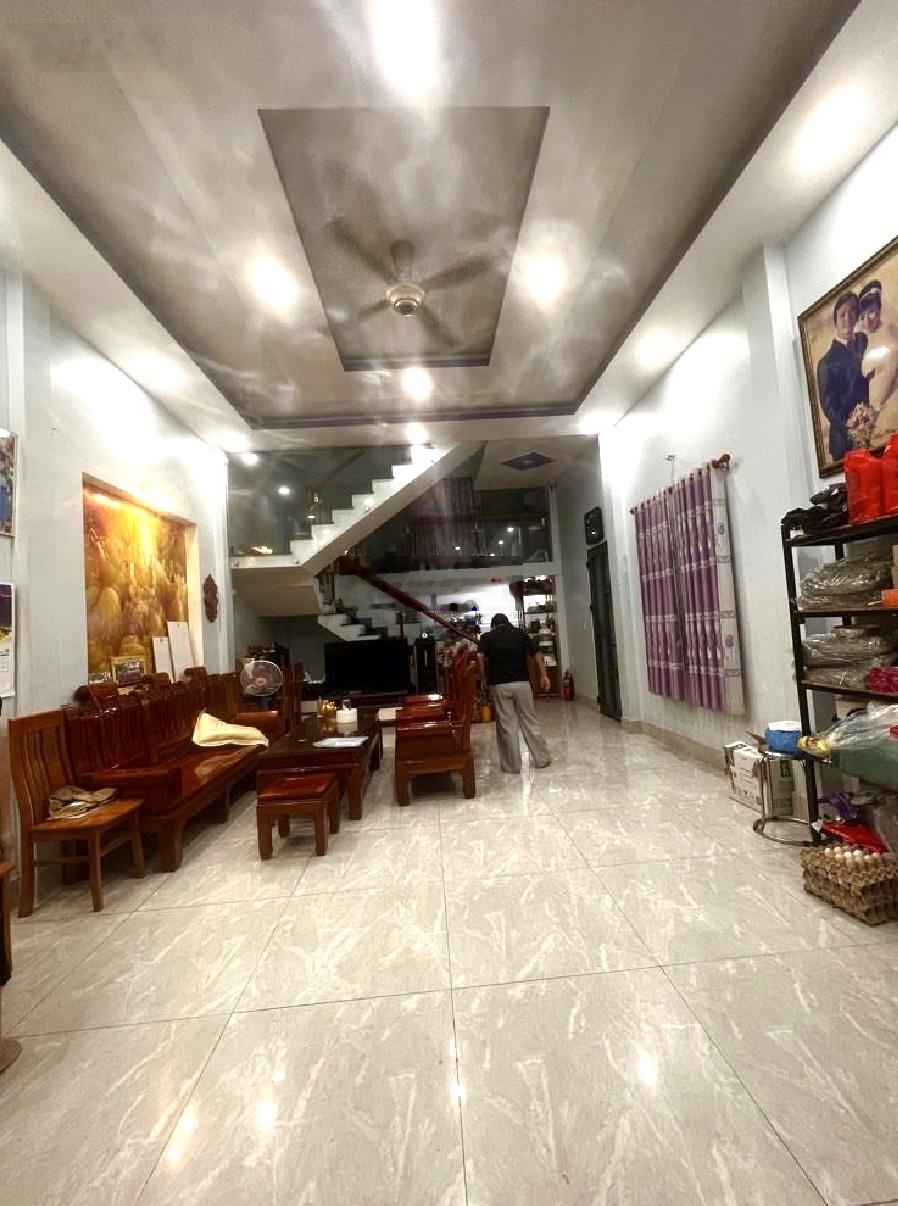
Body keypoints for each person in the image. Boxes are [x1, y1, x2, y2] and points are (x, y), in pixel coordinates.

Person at [478, 613, 551, 774]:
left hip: (499, 686)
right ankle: (542, 759)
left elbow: (480, 657)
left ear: (493, 625)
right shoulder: (520, 634)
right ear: (508, 623)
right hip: (522, 684)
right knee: (530, 722)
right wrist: (543, 675)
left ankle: (513, 766)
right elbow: (537, 653)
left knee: (507, 726)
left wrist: (483, 680)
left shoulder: (487, 637)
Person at [816, 290, 868, 460]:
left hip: (872, 433)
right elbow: (829, 407)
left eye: (853, 310)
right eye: (842, 314)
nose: (848, 317)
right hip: (844, 444)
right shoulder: (826, 363)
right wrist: (854, 430)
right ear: (835, 321)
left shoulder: (864, 341)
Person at [857, 279, 898, 442]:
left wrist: (876, 408)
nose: (867, 320)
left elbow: (891, 370)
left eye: (872, 312)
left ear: (880, 309)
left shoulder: (889, 331)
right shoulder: (865, 339)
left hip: (889, 398)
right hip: (875, 403)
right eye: (862, 316)